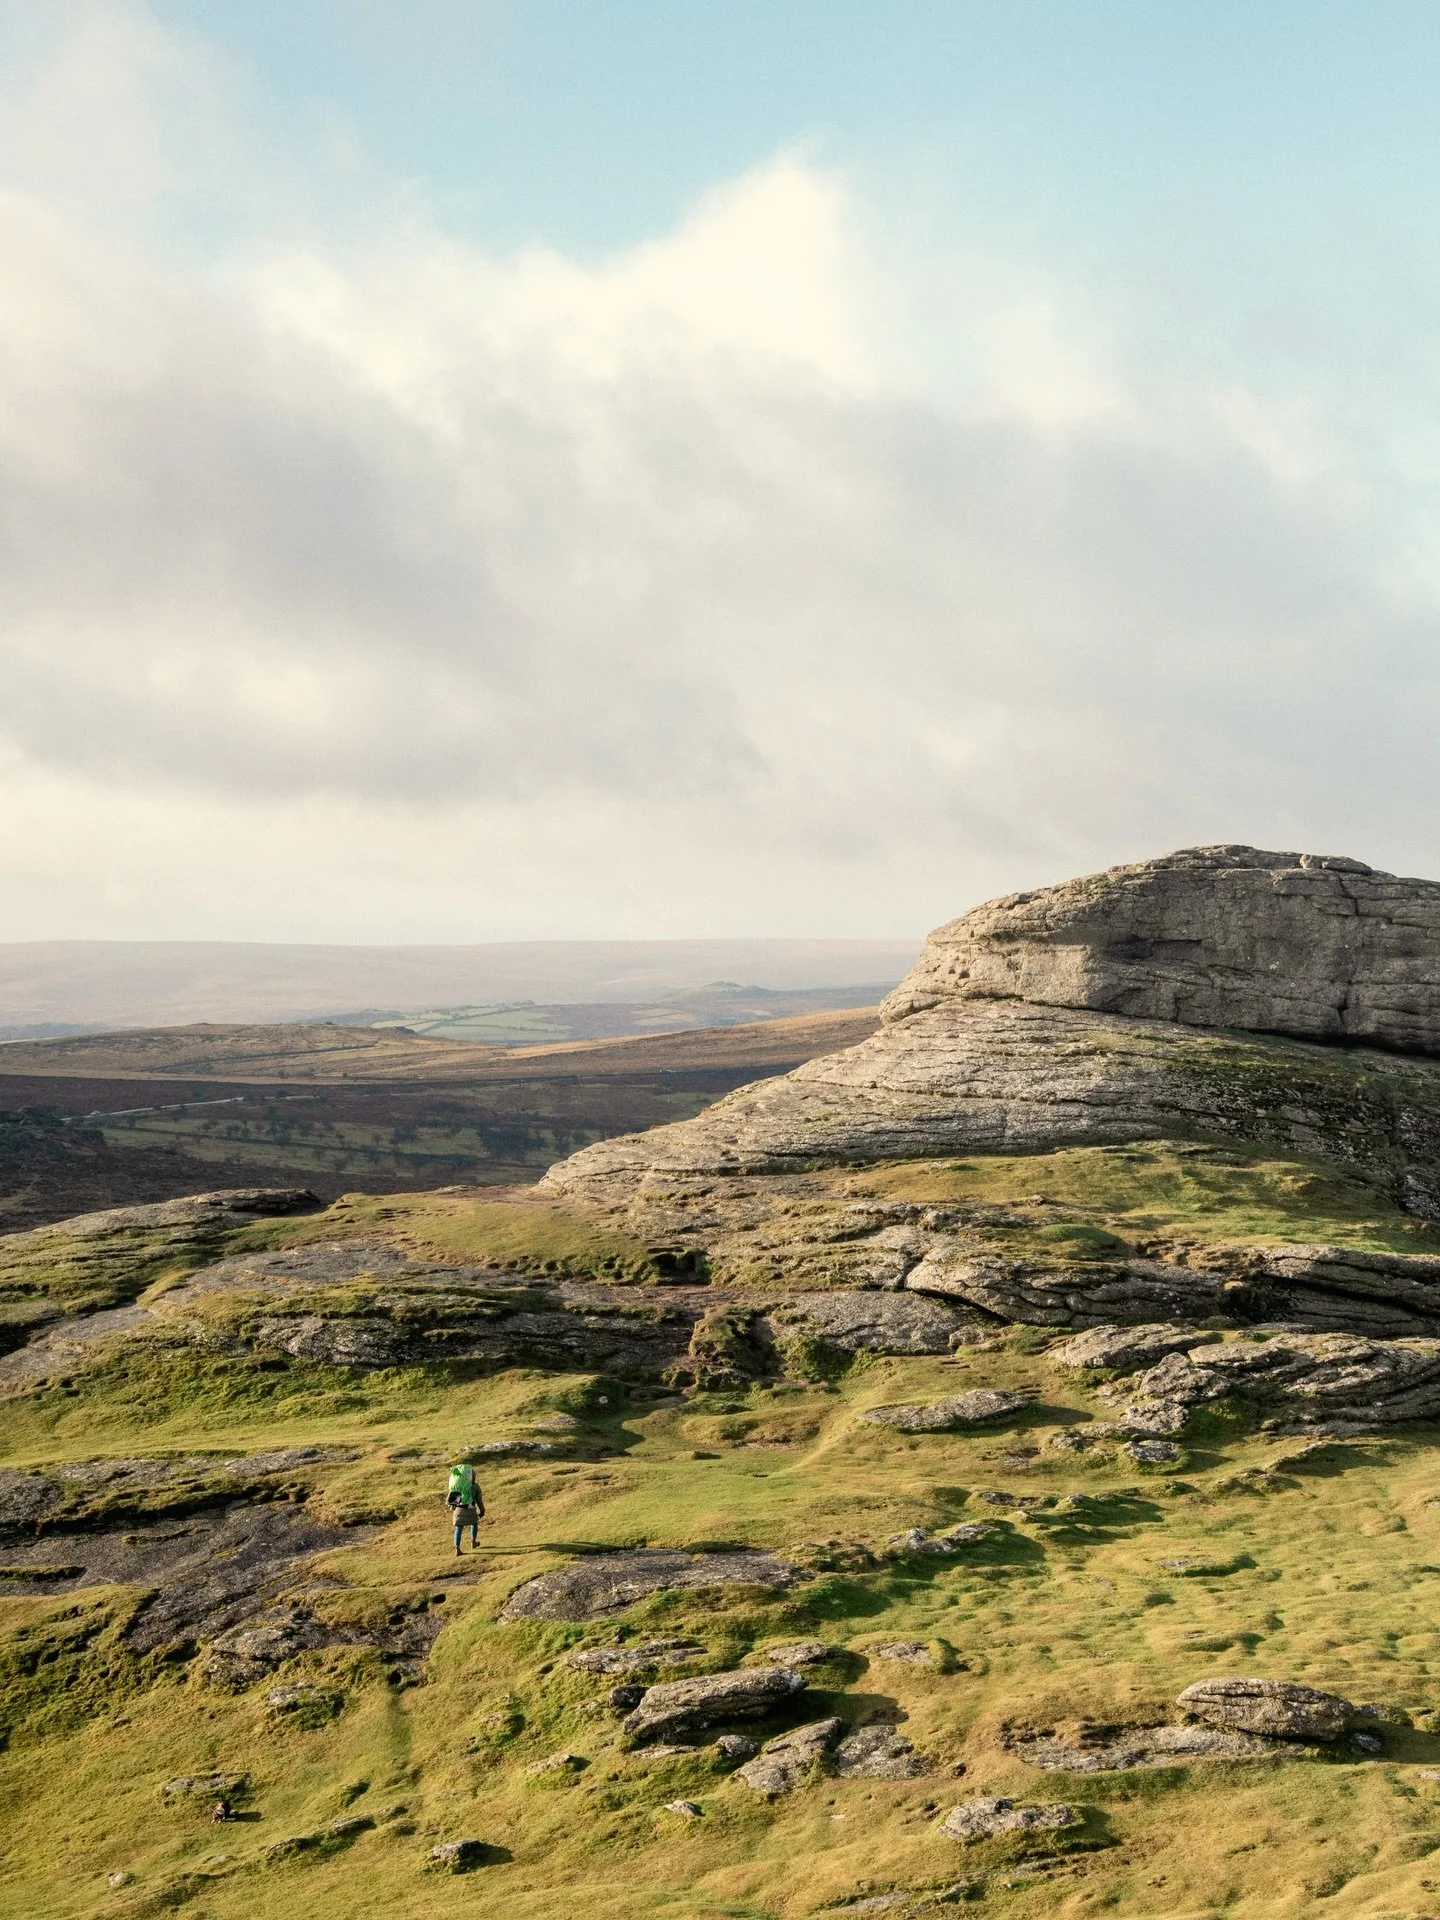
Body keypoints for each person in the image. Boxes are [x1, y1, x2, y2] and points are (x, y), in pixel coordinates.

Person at [446, 1458, 484, 1554]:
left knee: (458, 1528)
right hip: (470, 1509)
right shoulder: (474, 1486)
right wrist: (482, 1510)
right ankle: (473, 1541)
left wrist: (453, 1507)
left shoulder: (459, 1487)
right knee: (474, 1524)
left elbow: (453, 1503)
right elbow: (479, 1500)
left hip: (459, 1511)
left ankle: (457, 1548)